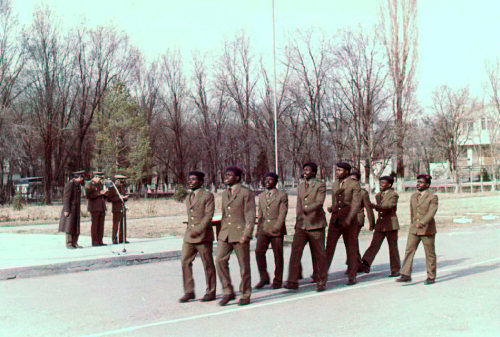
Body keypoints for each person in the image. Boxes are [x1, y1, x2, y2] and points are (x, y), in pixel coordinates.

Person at [284, 162, 328, 292]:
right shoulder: (301, 185)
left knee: (319, 254)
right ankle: (292, 281)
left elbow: (319, 202)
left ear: (314, 172)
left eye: (307, 170)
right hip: (301, 225)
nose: (304, 172)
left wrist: (306, 209)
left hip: (316, 224)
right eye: (303, 170)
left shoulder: (320, 185)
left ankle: (321, 280)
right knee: (295, 252)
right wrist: (298, 218)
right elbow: (299, 202)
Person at [216, 167, 256, 306]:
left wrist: (247, 234)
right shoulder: (224, 193)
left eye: (229, 175)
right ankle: (228, 291)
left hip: (240, 234)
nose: (225, 177)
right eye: (225, 174)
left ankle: (245, 294)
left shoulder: (246, 193)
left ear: (237, 178)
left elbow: (250, 216)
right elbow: (224, 214)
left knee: (244, 266)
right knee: (220, 261)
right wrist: (221, 233)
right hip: (225, 233)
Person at [179, 171, 217, 303]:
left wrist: (198, 230)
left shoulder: (208, 196)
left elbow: (208, 216)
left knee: (208, 264)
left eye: (194, 179)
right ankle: (189, 291)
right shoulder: (189, 196)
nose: (190, 182)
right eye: (189, 179)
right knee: (185, 261)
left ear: (201, 182)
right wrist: (191, 230)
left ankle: (211, 291)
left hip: (203, 236)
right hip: (189, 236)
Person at [397, 174, 439, 285]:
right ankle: (406, 274)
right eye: (418, 182)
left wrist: (423, 222)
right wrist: (413, 224)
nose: (418, 184)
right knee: (409, 250)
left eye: (421, 182)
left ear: (427, 184)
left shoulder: (432, 197)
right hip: (414, 229)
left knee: (430, 254)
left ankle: (431, 276)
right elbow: (412, 212)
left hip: (427, 229)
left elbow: (432, 212)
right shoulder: (413, 196)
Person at [326, 162, 362, 285]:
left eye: (339, 170)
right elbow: (335, 201)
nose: (337, 173)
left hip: (349, 221)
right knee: (329, 248)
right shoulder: (335, 184)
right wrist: (332, 208)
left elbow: (356, 203)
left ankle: (352, 275)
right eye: (336, 170)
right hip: (335, 220)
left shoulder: (354, 184)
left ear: (347, 171)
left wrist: (350, 218)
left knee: (351, 249)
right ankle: (321, 276)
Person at [360, 176, 401, 277]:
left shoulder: (393, 195)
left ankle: (395, 269)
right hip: (381, 225)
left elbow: (389, 206)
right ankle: (365, 264)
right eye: (380, 183)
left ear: (389, 185)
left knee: (393, 248)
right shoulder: (378, 195)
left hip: (391, 225)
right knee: (374, 245)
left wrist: (375, 206)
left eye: (383, 183)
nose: (380, 185)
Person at [255, 172, 288, 290]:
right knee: (259, 252)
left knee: (278, 255)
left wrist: (278, 226)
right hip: (263, 229)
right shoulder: (262, 195)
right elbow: (260, 213)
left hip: (276, 230)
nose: (267, 182)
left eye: (270, 179)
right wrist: (258, 229)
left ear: (275, 182)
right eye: (266, 179)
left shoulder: (281, 195)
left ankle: (278, 280)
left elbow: (283, 212)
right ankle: (264, 277)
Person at [348, 171, 375, 272]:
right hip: (348, 221)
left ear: (359, 181)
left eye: (354, 180)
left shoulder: (363, 193)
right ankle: (356, 264)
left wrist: (372, 223)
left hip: (357, 220)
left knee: (352, 241)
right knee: (352, 242)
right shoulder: (346, 191)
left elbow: (368, 208)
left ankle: (356, 265)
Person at [58, 170, 85, 249]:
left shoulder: (77, 185)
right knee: (69, 226)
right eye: (82, 177)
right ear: (79, 177)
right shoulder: (70, 184)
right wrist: (66, 210)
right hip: (70, 208)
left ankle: (75, 242)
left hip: (76, 208)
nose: (82, 179)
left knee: (76, 226)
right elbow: (66, 198)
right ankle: (69, 243)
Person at [85, 171, 108, 246]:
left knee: (101, 225)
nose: (101, 180)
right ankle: (95, 241)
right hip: (94, 207)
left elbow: (102, 195)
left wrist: (105, 193)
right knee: (95, 225)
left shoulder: (100, 184)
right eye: (100, 178)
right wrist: (99, 193)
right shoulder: (89, 184)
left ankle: (100, 240)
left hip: (101, 207)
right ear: (95, 177)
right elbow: (89, 195)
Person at [106, 175, 130, 244]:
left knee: (123, 224)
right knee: (116, 224)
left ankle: (122, 238)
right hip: (116, 208)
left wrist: (125, 198)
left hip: (122, 207)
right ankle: (114, 239)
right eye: (121, 182)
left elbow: (125, 196)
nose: (122, 183)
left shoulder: (123, 188)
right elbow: (109, 199)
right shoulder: (113, 188)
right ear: (117, 181)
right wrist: (119, 198)